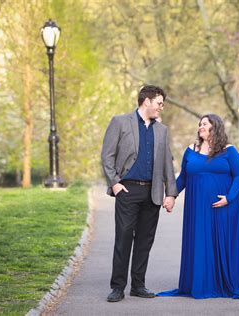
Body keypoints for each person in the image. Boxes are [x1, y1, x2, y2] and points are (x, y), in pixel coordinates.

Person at [157, 114, 239, 299]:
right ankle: (201, 283)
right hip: (197, 209)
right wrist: (171, 196)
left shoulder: (229, 151)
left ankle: (225, 283)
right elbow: (183, 178)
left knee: (222, 244)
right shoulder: (190, 150)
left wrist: (229, 197)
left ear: (215, 127)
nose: (200, 127)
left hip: (224, 206)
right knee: (200, 242)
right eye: (200, 124)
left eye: (205, 124)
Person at [101, 85, 178, 302]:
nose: (161, 107)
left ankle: (138, 285)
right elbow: (107, 156)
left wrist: (170, 193)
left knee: (145, 240)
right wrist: (115, 184)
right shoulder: (120, 122)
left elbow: (167, 164)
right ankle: (117, 287)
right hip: (127, 190)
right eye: (159, 103)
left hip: (152, 192)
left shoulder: (162, 130)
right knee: (124, 238)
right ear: (147, 101)